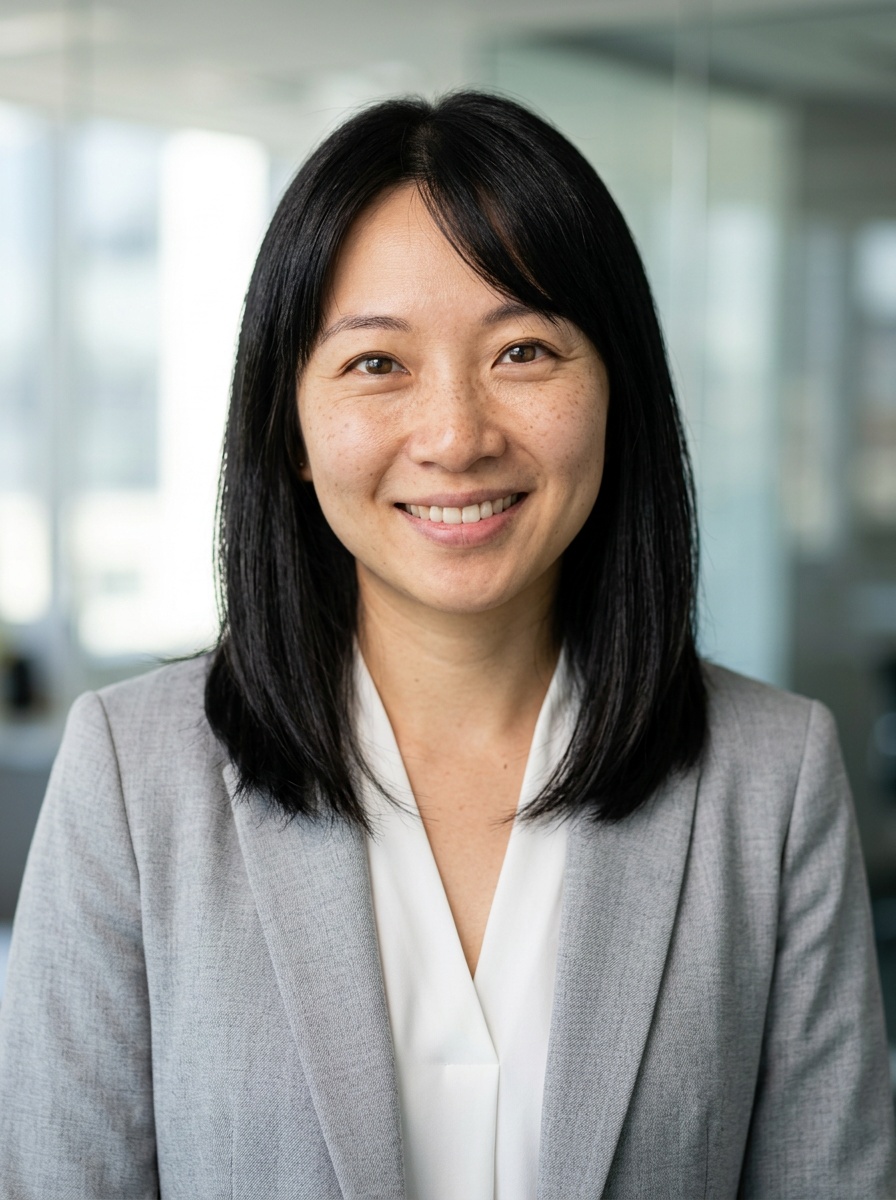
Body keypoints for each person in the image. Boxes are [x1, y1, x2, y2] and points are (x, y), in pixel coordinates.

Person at [0, 90, 893, 1200]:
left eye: (522, 350)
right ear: (289, 425)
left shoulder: (772, 779)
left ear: (615, 392)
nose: (457, 436)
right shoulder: (132, 780)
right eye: (378, 364)